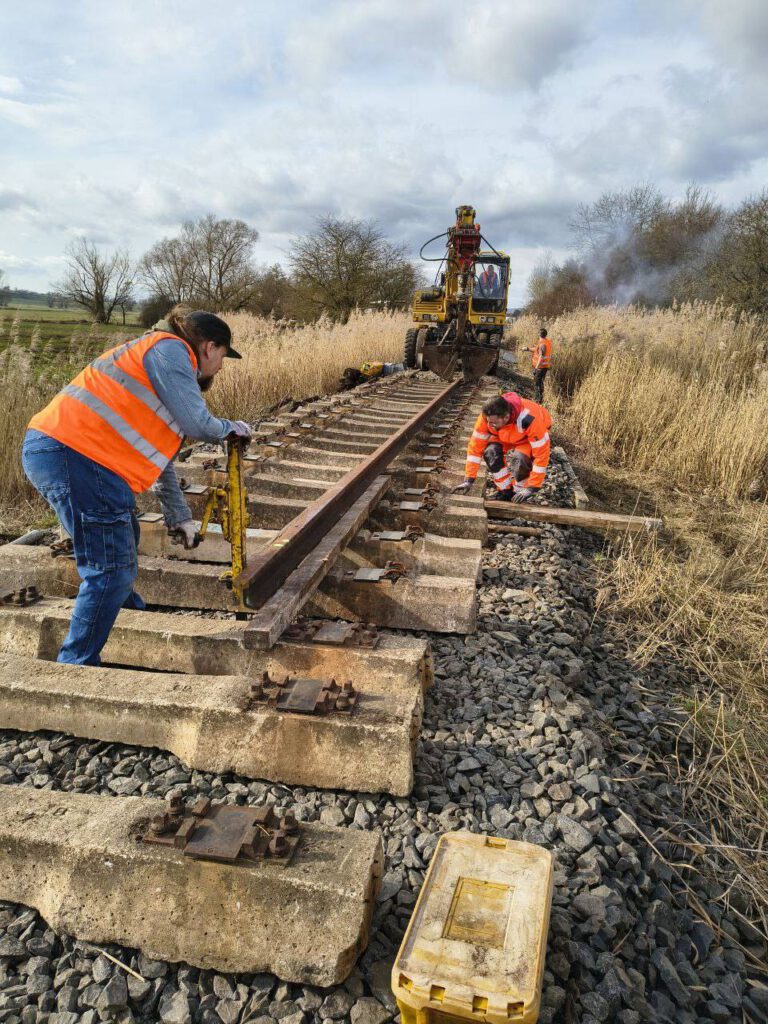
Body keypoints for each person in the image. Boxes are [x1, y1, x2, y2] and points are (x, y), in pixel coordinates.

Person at [21, 306, 251, 666]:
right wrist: (232, 428)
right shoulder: (170, 350)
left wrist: (179, 517)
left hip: (72, 455)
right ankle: (75, 666)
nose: (221, 367)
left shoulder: (161, 368)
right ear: (208, 347)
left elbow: (161, 462)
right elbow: (200, 425)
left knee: (122, 543)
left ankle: (130, 623)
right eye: (223, 357)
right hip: (77, 456)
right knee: (110, 570)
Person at [452, 391, 551, 503]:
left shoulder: (529, 419)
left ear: (506, 417)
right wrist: (469, 479)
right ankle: (505, 491)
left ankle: (518, 493)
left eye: (493, 423)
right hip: (504, 434)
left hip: (526, 438)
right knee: (491, 453)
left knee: (520, 459)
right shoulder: (488, 418)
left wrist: (532, 487)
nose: (489, 425)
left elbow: (542, 455)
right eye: (488, 422)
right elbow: (475, 448)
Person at [523, 327, 552, 403]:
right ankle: (540, 399)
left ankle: (537, 400)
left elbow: (541, 357)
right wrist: (527, 348)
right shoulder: (546, 341)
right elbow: (537, 350)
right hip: (544, 367)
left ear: (539, 334)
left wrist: (536, 368)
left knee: (537, 384)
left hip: (540, 367)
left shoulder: (542, 344)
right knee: (540, 383)